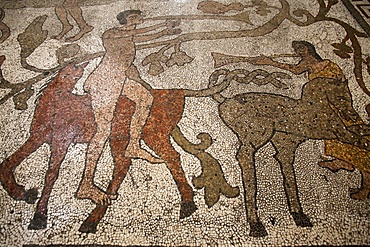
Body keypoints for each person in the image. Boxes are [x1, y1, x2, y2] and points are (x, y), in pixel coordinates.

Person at [76, 10, 181, 205]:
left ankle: (133, 145)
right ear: (124, 20)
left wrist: (164, 32)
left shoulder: (130, 37)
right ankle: (86, 184)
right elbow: (140, 34)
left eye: (138, 17)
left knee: (145, 98)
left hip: (120, 79)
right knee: (103, 131)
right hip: (104, 81)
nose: (137, 20)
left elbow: (143, 38)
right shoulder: (112, 33)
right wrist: (162, 28)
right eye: (132, 18)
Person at [249, 40, 369, 170]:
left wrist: (270, 62)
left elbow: (296, 70)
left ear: (309, 48)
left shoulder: (324, 64)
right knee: (331, 130)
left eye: (301, 47)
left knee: (346, 125)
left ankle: (360, 153)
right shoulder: (307, 64)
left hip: (335, 98)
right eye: (296, 49)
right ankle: (343, 159)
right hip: (324, 102)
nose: (298, 51)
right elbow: (297, 70)